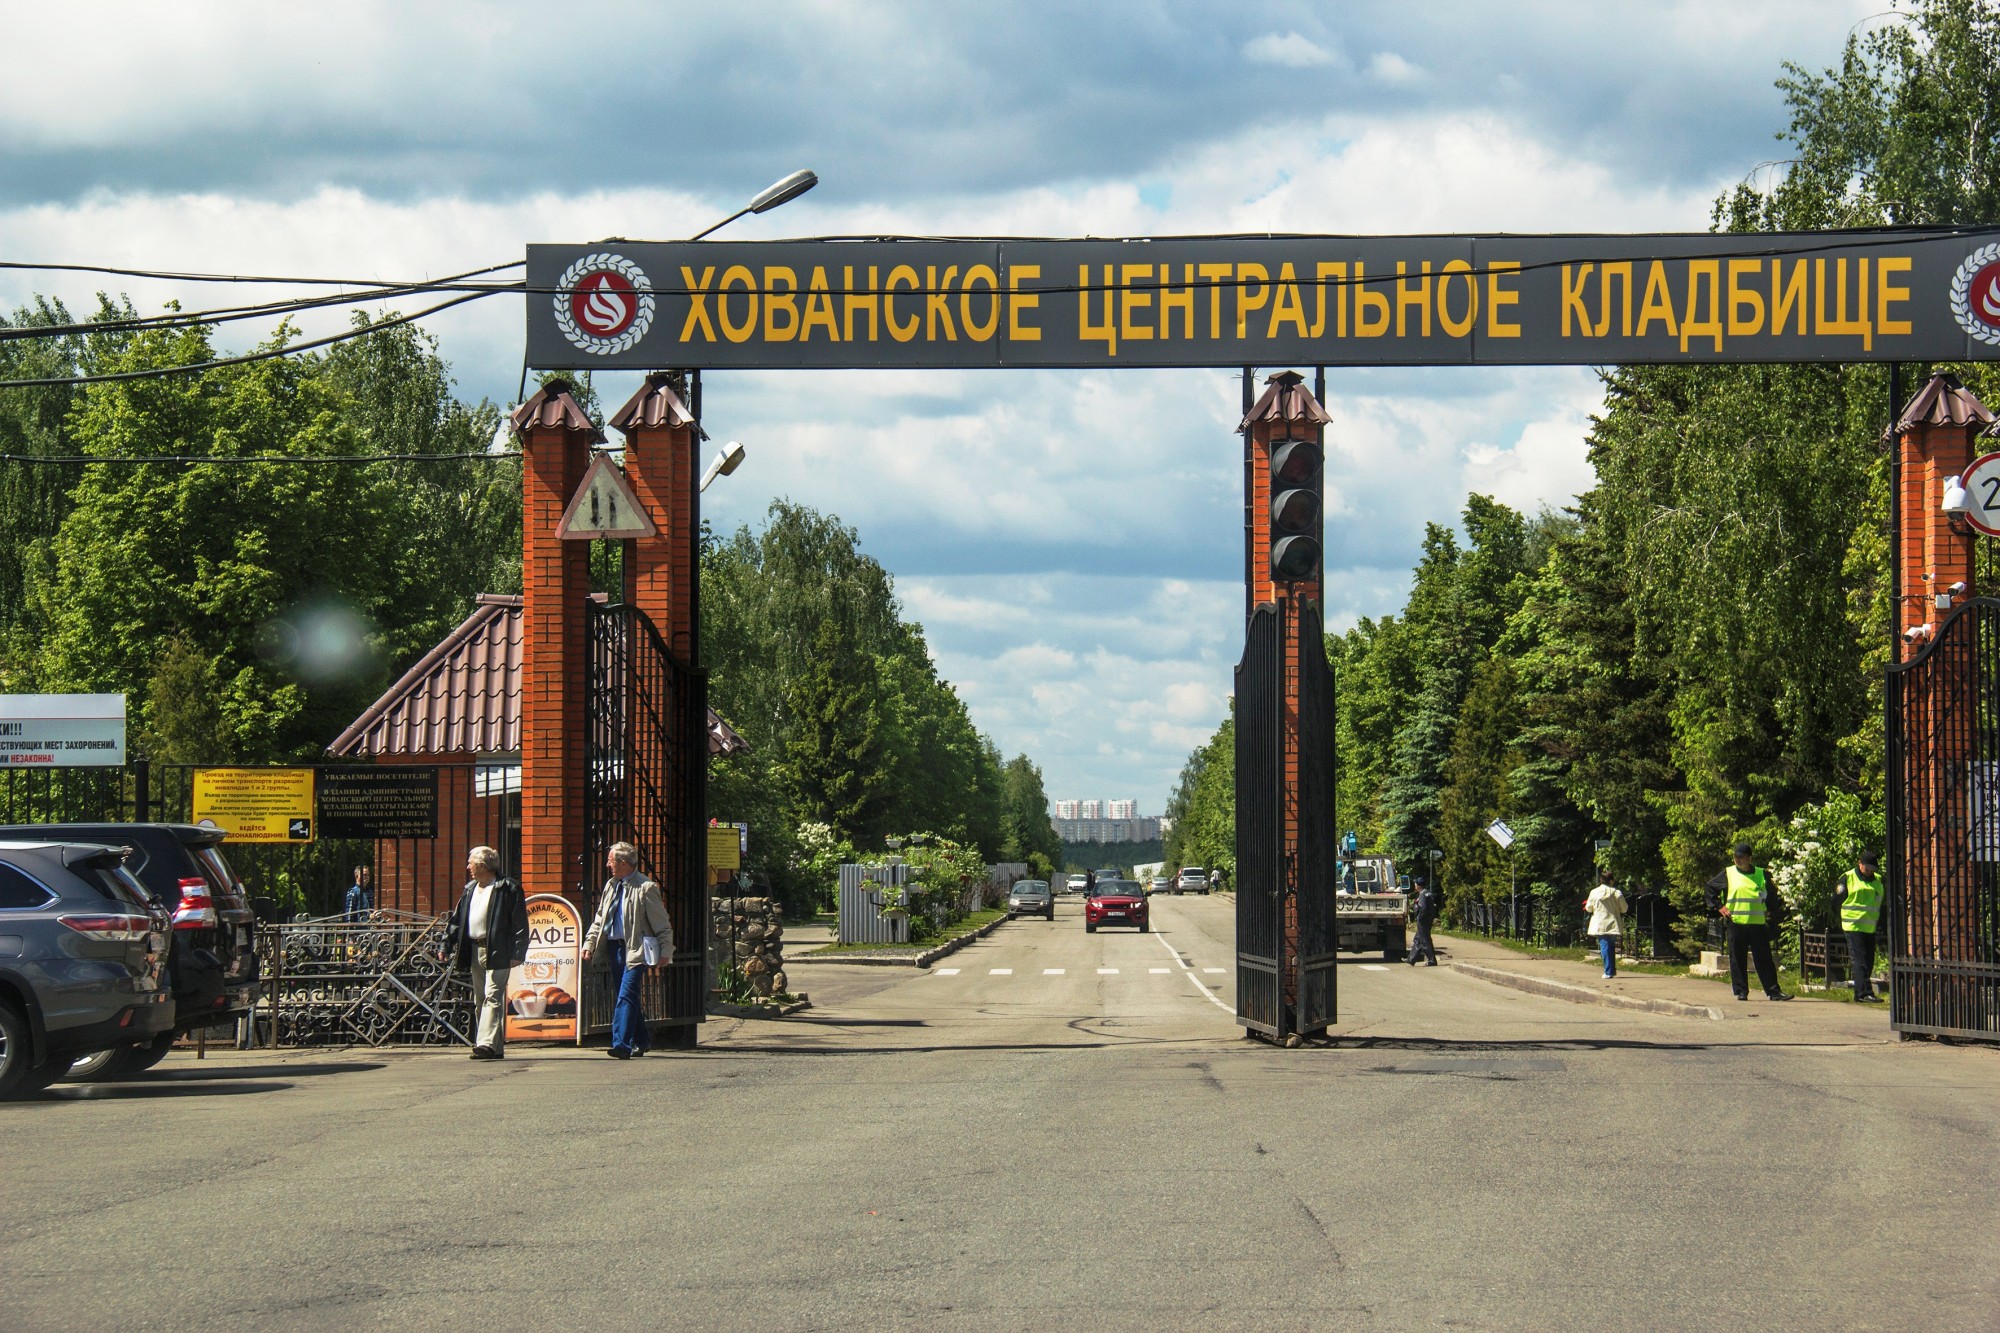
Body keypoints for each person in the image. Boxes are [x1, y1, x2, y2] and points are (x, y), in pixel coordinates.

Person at [583, 841, 673, 1060]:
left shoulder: (645, 887)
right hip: (615, 949)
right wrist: (589, 943)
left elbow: (662, 924)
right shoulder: (611, 885)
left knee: (625, 995)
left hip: (637, 949)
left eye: (610, 861)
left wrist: (666, 951)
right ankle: (641, 1040)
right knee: (628, 996)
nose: (607, 865)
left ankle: (621, 1043)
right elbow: (600, 919)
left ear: (623, 863)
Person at [443, 846, 529, 1059]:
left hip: (498, 949)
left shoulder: (508, 887)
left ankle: (484, 1043)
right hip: (473, 948)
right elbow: (457, 920)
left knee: (493, 996)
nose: (468, 867)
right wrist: (446, 944)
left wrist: (519, 950)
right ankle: (494, 1047)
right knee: (480, 998)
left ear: (482, 865)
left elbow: (519, 921)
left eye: (471, 863)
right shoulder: (470, 888)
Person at [1704, 841, 1791, 1002]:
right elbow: (1710, 888)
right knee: (1737, 958)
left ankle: (1773, 992)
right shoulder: (1728, 873)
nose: (1737, 860)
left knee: (1764, 959)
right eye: (1735, 856)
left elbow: (1772, 895)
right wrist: (1719, 907)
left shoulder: (1762, 874)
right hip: (1736, 923)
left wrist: (1773, 912)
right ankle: (1741, 991)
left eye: (1741, 857)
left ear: (1749, 858)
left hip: (1757, 923)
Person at [1833, 850, 1885, 1003]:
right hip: (1853, 926)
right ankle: (1865, 993)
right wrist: (1844, 918)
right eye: (1866, 868)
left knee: (1868, 960)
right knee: (1860, 960)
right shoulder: (1847, 878)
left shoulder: (1879, 880)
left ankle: (1859, 993)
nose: (1869, 872)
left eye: (1872, 869)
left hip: (1869, 927)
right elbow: (1835, 901)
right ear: (1859, 863)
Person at [1583, 869, 1628, 979]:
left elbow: (1588, 908)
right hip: (1613, 922)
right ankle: (1611, 970)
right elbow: (1624, 908)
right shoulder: (1616, 893)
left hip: (1599, 922)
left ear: (1601, 880)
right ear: (1612, 880)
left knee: (1604, 945)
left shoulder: (1594, 892)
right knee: (1611, 946)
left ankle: (1608, 971)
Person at [1407, 876, 1440, 966]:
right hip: (1427, 919)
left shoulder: (1422, 894)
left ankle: (1432, 960)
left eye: (1415, 884)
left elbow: (1423, 908)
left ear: (1418, 886)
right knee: (1418, 939)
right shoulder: (1427, 893)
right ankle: (1411, 959)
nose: (1415, 885)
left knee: (1425, 940)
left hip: (1423, 920)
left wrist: (1420, 918)